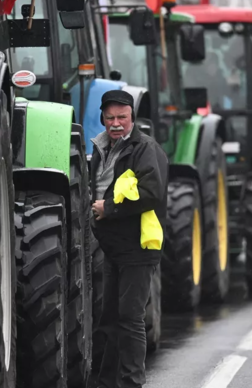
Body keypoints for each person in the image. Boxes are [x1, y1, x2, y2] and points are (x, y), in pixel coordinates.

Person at [89, 90, 168, 388]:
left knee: (131, 318)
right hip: (114, 248)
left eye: (122, 117)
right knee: (109, 319)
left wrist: (108, 208)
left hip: (138, 246)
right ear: (103, 119)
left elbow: (151, 194)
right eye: (110, 117)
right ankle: (106, 382)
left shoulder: (145, 149)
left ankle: (133, 382)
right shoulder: (102, 147)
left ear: (132, 117)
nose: (116, 123)